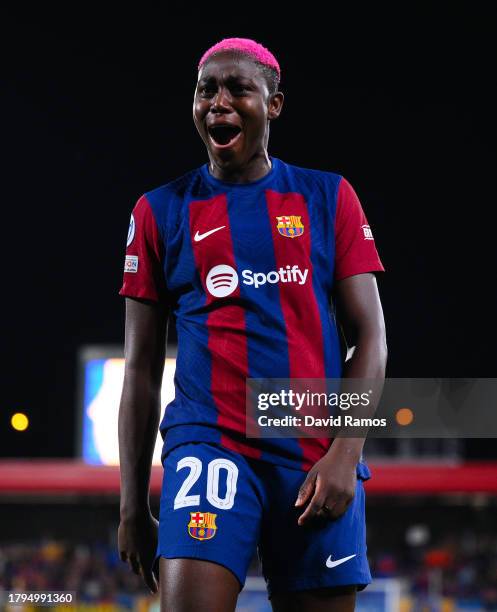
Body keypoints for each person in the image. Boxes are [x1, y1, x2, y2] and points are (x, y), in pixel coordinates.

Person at [117, 37, 387, 612]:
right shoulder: (159, 211)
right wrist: (131, 505)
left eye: (238, 88)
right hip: (207, 441)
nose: (218, 102)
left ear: (275, 104)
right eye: (205, 89)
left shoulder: (327, 195)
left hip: (311, 449)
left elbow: (371, 338)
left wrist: (346, 450)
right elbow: (139, 370)